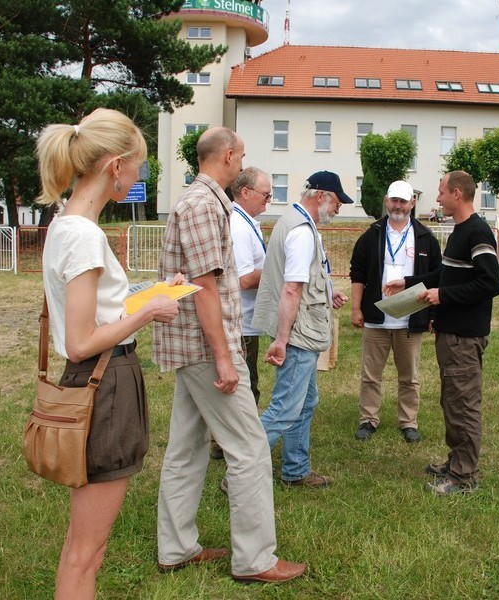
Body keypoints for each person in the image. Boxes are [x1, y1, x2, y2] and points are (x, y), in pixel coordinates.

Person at [36, 108, 182, 599]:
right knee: (87, 552)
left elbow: (97, 310)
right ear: (115, 166)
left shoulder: (67, 224)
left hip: (98, 379)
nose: (140, 175)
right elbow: (81, 340)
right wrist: (149, 312)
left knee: (82, 547)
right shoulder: (84, 235)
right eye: (138, 165)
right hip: (104, 383)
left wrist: (154, 293)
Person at [153, 127, 305, 584]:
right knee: (250, 449)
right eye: (241, 156)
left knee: (186, 447)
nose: (242, 162)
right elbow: (204, 286)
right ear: (228, 156)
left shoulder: (200, 201)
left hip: (196, 346)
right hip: (207, 348)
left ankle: (176, 548)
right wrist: (224, 357)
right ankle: (255, 559)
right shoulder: (203, 204)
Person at [385, 170, 499, 496]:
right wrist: (408, 283)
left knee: (464, 403)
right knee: (452, 400)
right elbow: (446, 274)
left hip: (465, 336)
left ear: (457, 194)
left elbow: (491, 283)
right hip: (451, 333)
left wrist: (443, 297)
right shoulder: (461, 230)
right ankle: (456, 462)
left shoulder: (477, 232)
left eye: (441, 192)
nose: (437, 198)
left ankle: (464, 476)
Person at [252, 171, 352, 487]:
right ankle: (240, 473)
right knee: (284, 408)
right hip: (298, 335)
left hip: (298, 332)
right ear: (321, 196)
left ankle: (295, 470)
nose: (337, 210)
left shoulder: (293, 222)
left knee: (305, 403)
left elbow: (303, 280)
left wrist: (327, 292)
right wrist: (282, 341)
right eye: (336, 203)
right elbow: (292, 288)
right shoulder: (301, 232)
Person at [349, 180, 441, 443]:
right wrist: (356, 309)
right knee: (370, 375)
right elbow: (358, 274)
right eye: (394, 200)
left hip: (410, 319)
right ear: (386, 201)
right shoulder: (371, 235)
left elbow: (436, 277)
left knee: (409, 377)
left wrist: (432, 316)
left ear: (412, 202)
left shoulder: (425, 237)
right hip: (376, 319)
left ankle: (408, 422)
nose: (398, 206)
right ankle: (368, 419)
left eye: (403, 201)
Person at [230, 166, 272, 405]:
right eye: (265, 195)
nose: (269, 201)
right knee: (245, 390)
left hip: (246, 322)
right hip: (241, 325)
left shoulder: (246, 223)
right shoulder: (238, 226)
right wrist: (279, 270)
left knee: (247, 385)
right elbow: (244, 279)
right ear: (245, 192)